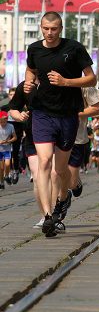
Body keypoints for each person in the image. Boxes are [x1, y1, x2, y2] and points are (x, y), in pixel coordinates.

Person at [24, 11, 97, 238]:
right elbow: (31, 69)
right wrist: (29, 82)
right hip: (42, 113)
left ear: (61, 29)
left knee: (61, 170)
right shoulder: (34, 49)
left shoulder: (74, 49)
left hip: (67, 115)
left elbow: (91, 78)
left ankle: (62, 200)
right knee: (44, 162)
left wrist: (66, 82)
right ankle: (47, 216)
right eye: (46, 28)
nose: (49, 33)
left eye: (54, 29)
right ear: (41, 28)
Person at [52, 87, 99, 232]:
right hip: (57, 137)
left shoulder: (86, 87)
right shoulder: (53, 82)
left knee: (71, 183)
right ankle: (56, 215)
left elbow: (96, 109)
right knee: (55, 175)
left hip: (78, 139)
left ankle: (73, 185)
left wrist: (75, 113)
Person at [8, 82, 41, 226]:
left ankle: (63, 198)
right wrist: (19, 116)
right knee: (38, 177)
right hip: (32, 137)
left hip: (55, 136)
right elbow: (13, 109)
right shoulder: (26, 86)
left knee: (54, 175)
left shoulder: (57, 79)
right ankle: (46, 215)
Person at [0, 111, 16, 189]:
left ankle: (6, 176)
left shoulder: (11, 126)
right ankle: (2, 183)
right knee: (1, 168)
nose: (3, 123)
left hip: (7, 148)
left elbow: (15, 137)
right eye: (1, 121)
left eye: (5, 121)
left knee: (7, 164)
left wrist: (8, 141)